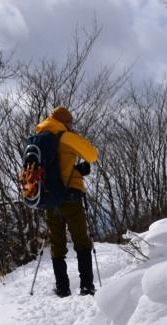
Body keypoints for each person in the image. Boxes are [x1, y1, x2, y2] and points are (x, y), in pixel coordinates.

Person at [35, 106, 99, 297]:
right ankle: (86, 286)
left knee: (57, 244)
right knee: (81, 240)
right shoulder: (65, 136)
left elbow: (57, 167)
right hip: (70, 196)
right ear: (66, 122)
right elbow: (92, 155)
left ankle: (62, 288)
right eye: (70, 122)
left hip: (49, 198)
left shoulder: (39, 138)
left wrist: (76, 170)